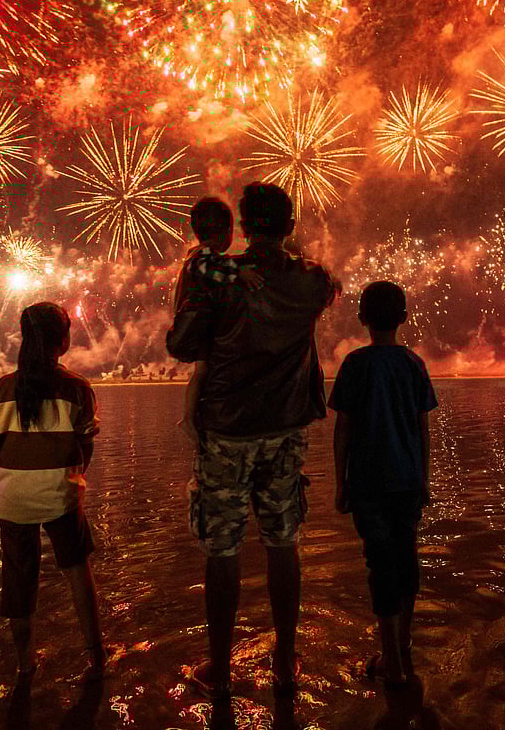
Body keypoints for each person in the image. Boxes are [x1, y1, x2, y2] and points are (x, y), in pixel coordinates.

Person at [166, 182, 339, 712]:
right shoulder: (308, 281)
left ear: (242, 228)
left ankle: (219, 669)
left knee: (222, 548)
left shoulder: (221, 278)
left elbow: (180, 344)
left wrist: (189, 280)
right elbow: (324, 282)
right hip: (284, 431)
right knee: (283, 542)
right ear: (289, 226)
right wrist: (288, 250)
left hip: (225, 431)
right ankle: (284, 662)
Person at [0, 302, 105, 680]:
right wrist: (73, 475)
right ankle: (96, 657)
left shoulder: (4, 387)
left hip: (12, 499)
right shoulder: (77, 388)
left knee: (17, 578)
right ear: (62, 342)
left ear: (25, 338)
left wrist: (16, 465)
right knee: (78, 571)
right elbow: (87, 444)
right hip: (61, 496)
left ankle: (25, 662)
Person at [328, 281, 438, 689]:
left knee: (380, 564)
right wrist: (424, 478)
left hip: (369, 484)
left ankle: (390, 658)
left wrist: (341, 484)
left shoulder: (355, 365)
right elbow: (423, 429)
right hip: (408, 482)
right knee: (406, 557)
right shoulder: (414, 364)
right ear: (404, 319)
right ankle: (403, 643)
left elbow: (343, 429)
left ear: (362, 319)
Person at [174, 197, 261, 445]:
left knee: (201, 372)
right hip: (201, 328)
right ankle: (188, 419)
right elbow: (210, 269)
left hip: (197, 325)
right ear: (226, 232)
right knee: (201, 372)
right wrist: (238, 272)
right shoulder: (202, 258)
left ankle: (189, 418)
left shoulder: (196, 256)